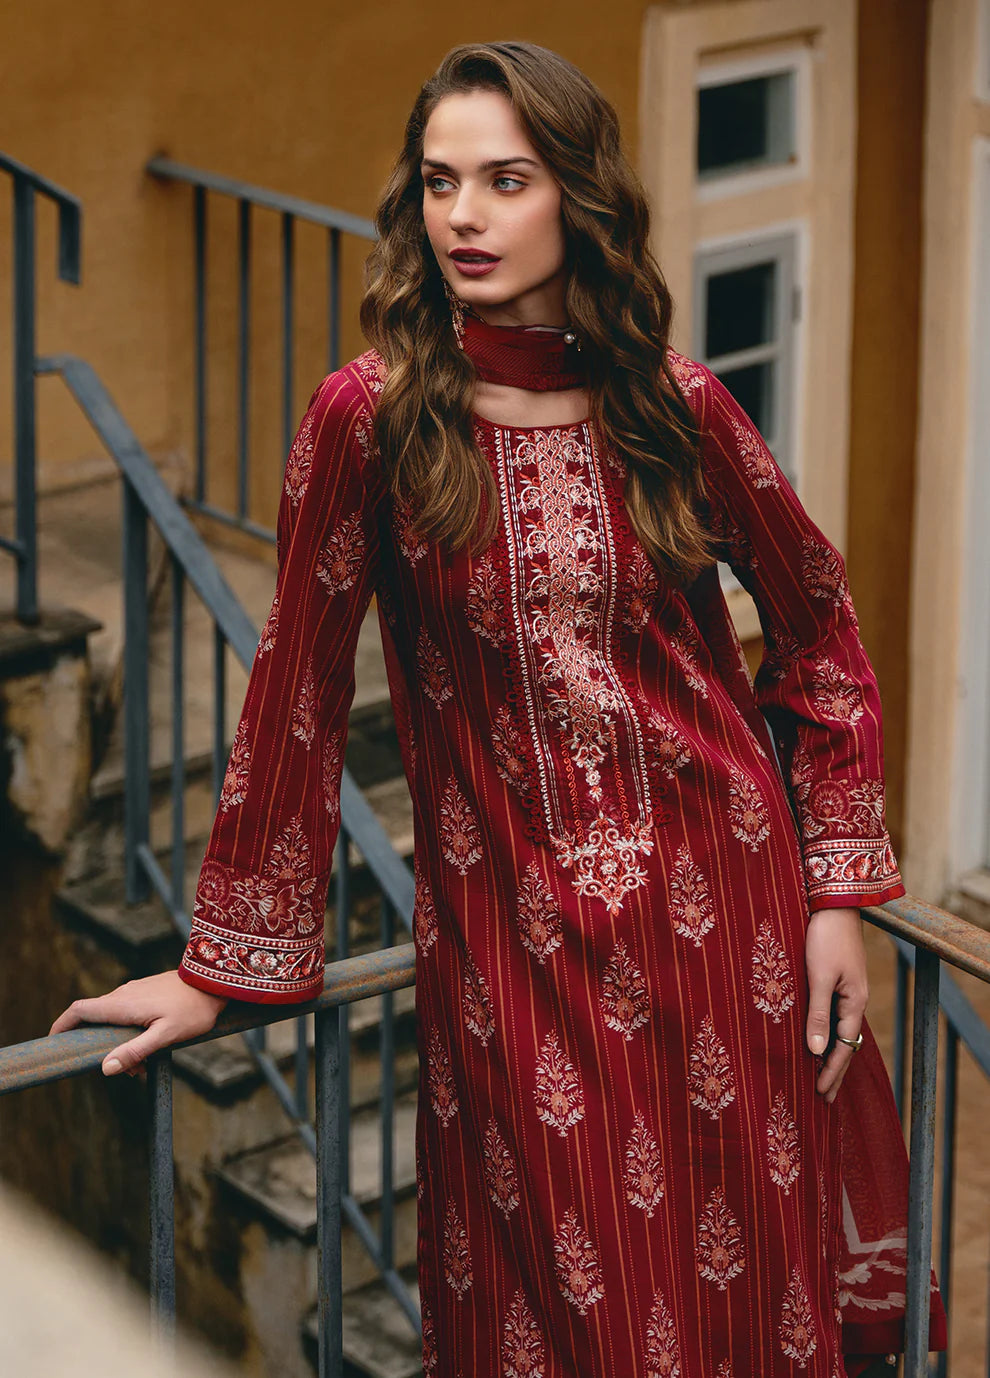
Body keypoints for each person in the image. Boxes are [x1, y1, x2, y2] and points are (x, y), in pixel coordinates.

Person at [50, 40, 945, 1378]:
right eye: (438, 181)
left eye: (504, 179)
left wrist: (830, 897)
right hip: (517, 957)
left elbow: (817, 625)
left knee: (742, 1307)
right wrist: (217, 963)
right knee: (570, 1317)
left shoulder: (670, 400)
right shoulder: (374, 418)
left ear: (572, 195)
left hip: (727, 939)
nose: (461, 214)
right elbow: (294, 692)